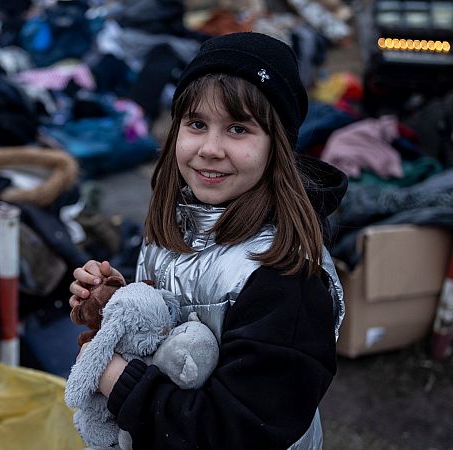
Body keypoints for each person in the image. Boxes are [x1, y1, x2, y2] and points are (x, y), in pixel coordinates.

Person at [69, 32, 348, 449]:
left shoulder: (287, 278)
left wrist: (111, 375)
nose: (210, 149)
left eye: (238, 128)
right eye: (197, 124)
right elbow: (179, 321)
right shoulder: (178, 220)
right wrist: (122, 306)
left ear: (278, 148)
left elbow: (236, 430)